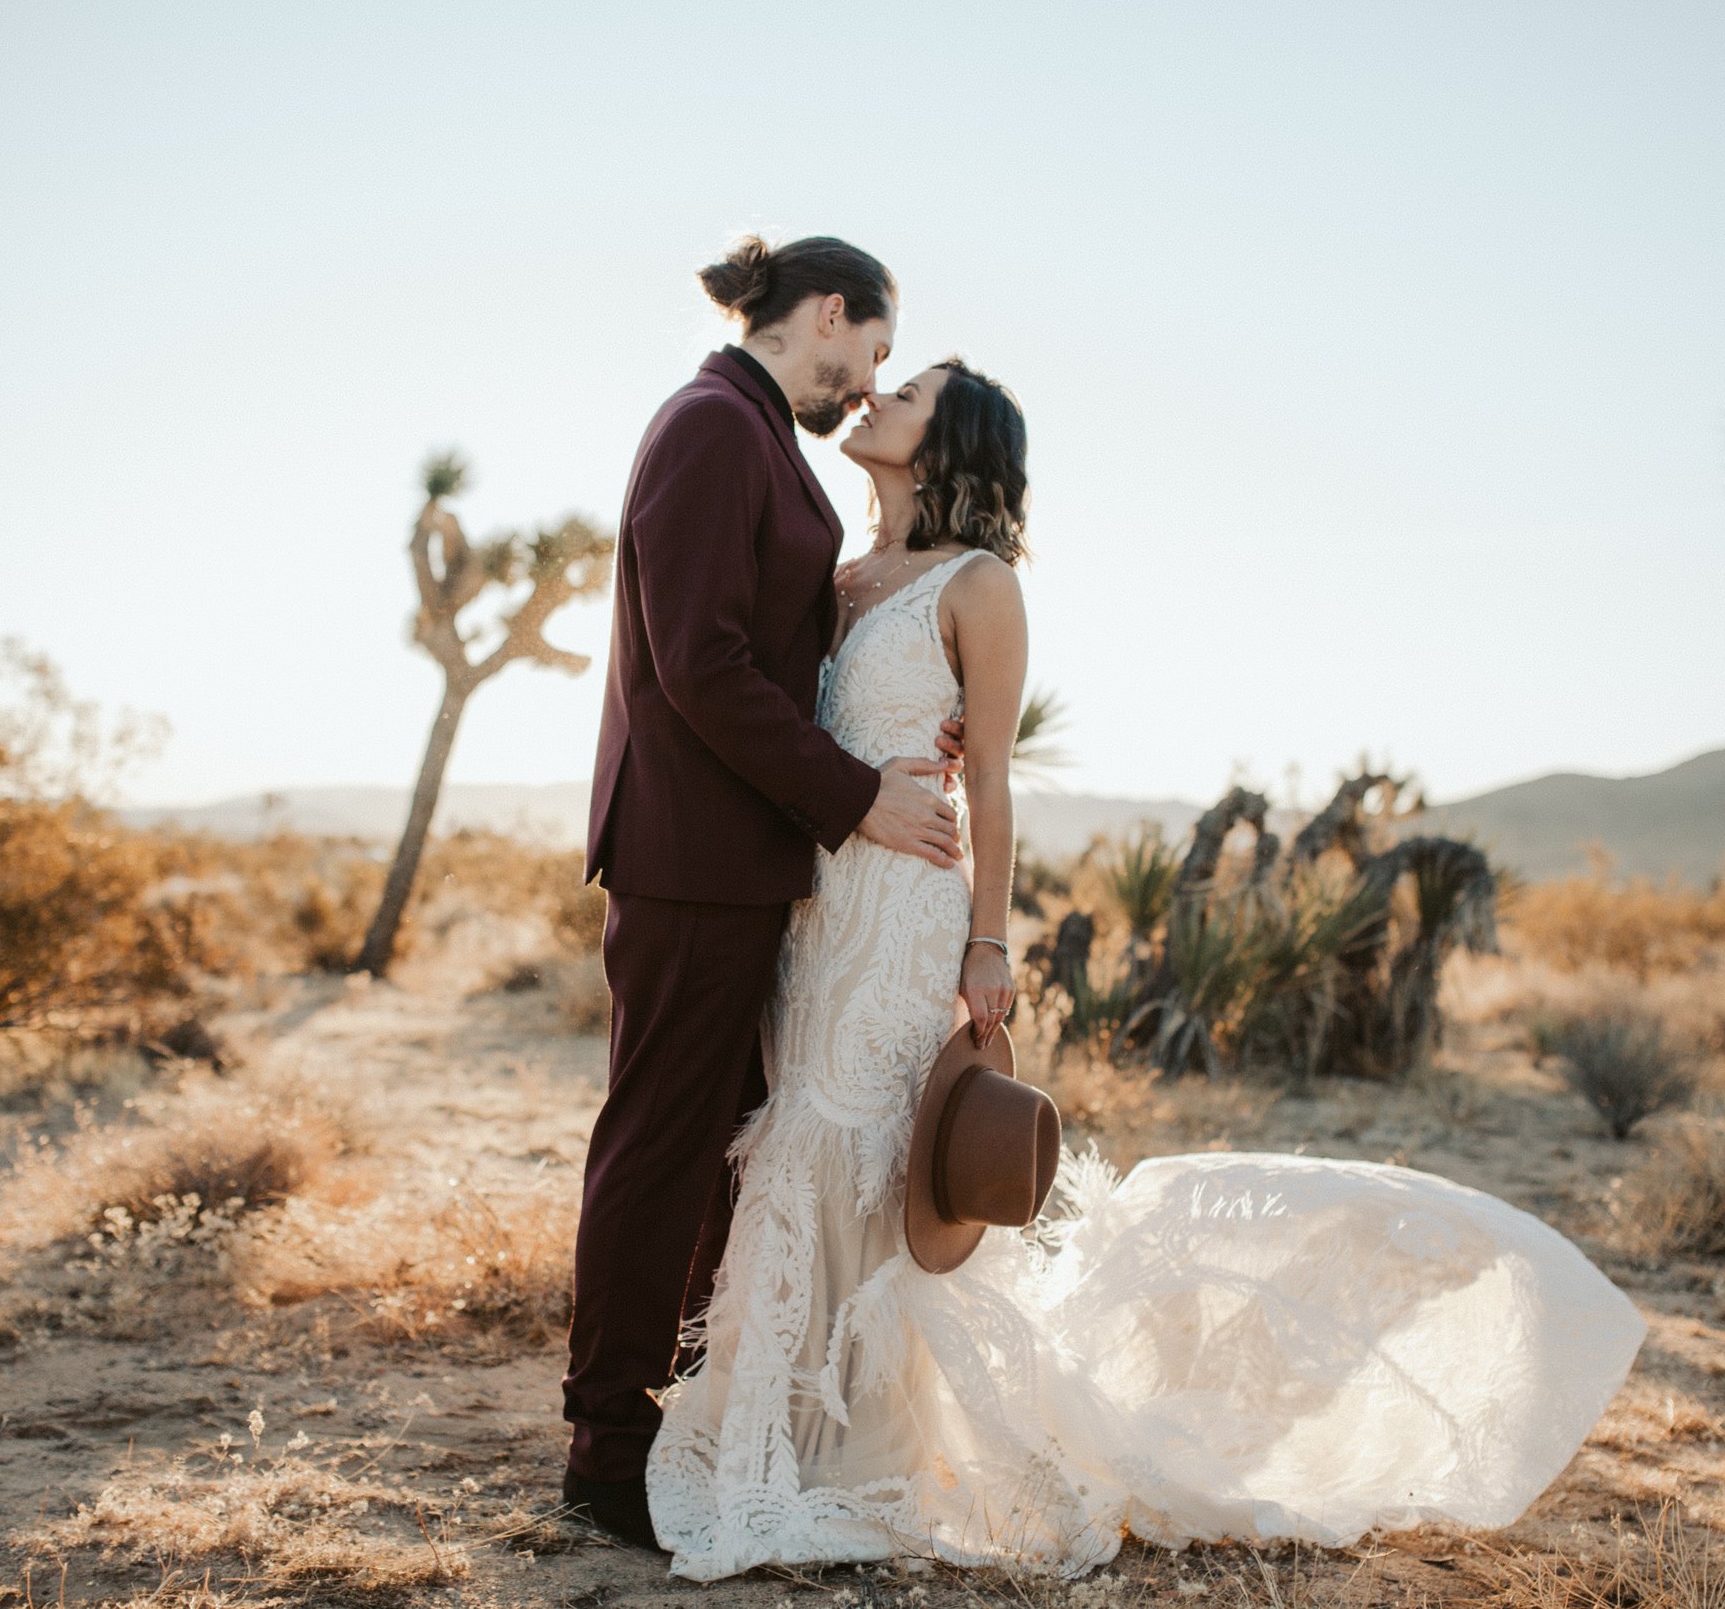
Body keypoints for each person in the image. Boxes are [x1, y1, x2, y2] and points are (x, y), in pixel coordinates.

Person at [642, 355, 1648, 1579]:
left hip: (905, 907)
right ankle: (782, 1438)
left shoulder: (983, 585)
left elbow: (996, 780)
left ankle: (864, 1456)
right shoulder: (842, 580)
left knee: (868, 1151)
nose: (874, 398)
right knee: (804, 1138)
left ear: (950, 440)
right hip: (817, 905)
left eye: (903, 393)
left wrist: (988, 940)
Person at [565, 235, 965, 1548]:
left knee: (717, 1152)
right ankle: (608, 1451)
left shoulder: (750, 435)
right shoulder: (711, 425)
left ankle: (697, 1420)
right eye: (874, 353)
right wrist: (856, 793)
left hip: (743, 863)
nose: (868, 383)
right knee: (663, 1144)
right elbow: (701, 663)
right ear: (831, 314)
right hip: (691, 856)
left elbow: (769, 650)